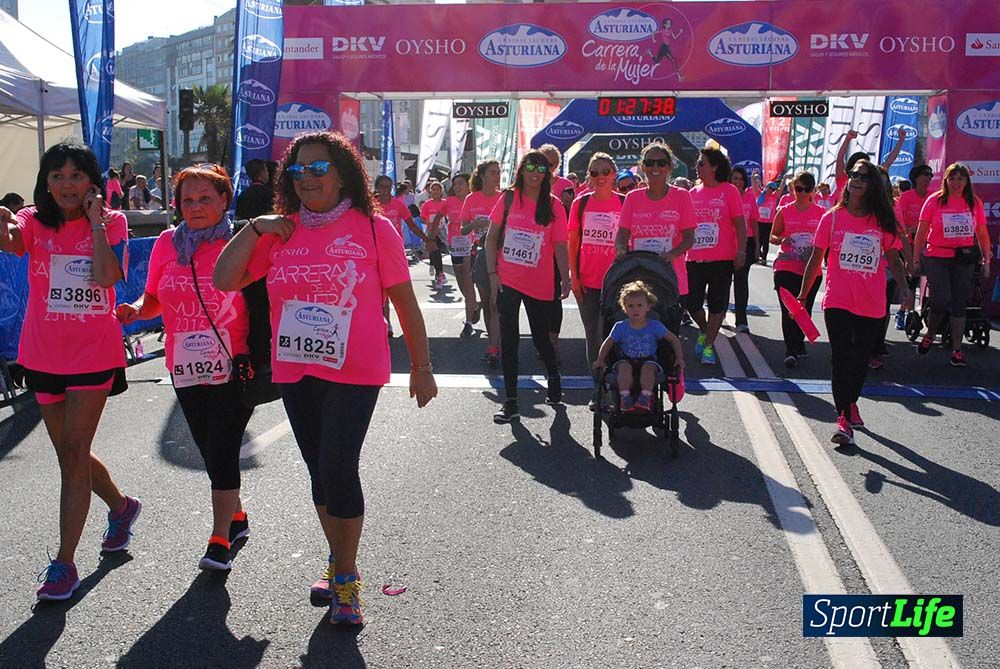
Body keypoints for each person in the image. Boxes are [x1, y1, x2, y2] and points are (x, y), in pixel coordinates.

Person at [213, 131, 437, 625]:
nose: (308, 178)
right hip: (296, 368)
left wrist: (421, 368)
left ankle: (347, 578)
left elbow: (405, 303)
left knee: (338, 465)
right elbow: (224, 279)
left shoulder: (375, 229)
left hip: (356, 370)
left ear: (342, 174)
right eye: (297, 171)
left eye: (318, 169)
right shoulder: (281, 231)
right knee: (320, 471)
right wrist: (255, 228)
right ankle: (337, 557)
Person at [0, 142, 139, 601]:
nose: (65, 184)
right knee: (69, 453)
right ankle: (121, 507)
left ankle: (64, 563)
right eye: (56, 175)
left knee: (75, 450)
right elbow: (11, 239)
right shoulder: (34, 222)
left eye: (75, 175)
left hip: (93, 354)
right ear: (45, 182)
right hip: (42, 354)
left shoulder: (113, 222)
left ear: (92, 181)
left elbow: (105, 277)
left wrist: (96, 222)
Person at [116, 164, 254, 572]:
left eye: (205, 199)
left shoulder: (239, 240)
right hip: (186, 363)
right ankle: (238, 516)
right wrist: (138, 308)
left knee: (224, 444)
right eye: (187, 200)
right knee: (209, 445)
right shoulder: (165, 243)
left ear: (224, 201)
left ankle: (219, 538)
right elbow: (154, 296)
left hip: (234, 362)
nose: (194, 207)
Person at [798, 159, 909, 446]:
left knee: (860, 360)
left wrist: (906, 290)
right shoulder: (832, 218)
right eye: (852, 174)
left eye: (863, 176)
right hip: (838, 299)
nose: (856, 179)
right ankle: (843, 417)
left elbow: (894, 261)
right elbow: (815, 258)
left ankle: (851, 402)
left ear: (873, 184)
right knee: (841, 357)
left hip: (872, 302)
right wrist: (803, 293)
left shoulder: (882, 220)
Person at [484, 150, 570, 424]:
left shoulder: (554, 205)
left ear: (547, 174)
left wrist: (566, 278)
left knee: (541, 340)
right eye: (530, 167)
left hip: (540, 282)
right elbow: (491, 239)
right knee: (509, 341)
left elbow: (559, 245)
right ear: (521, 169)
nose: (534, 173)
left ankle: (553, 376)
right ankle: (511, 402)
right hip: (508, 279)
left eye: (540, 168)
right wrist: (492, 274)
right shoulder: (508, 198)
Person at [615, 141, 696, 366]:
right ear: (642, 166)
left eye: (661, 162)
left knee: (665, 342)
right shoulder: (633, 198)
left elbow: (689, 237)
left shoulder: (681, 197)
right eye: (649, 163)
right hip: (639, 278)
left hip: (671, 280)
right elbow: (622, 234)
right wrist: (621, 248)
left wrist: (672, 253)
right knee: (635, 339)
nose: (655, 167)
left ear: (670, 167)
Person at [912, 163, 992, 367]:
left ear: (967, 181)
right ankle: (930, 333)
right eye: (952, 178)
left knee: (959, 302)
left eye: (960, 179)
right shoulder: (935, 200)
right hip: (937, 255)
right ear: (946, 180)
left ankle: (957, 349)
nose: (956, 183)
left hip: (963, 257)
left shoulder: (974, 202)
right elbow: (921, 232)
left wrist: (986, 260)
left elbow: (982, 233)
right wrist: (914, 258)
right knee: (940, 299)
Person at [568, 153, 625, 409]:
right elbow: (573, 245)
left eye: (605, 171)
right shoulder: (580, 204)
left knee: (616, 337)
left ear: (613, 173)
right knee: (593, 337)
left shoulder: (625, 203)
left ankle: (617, 388)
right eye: (594, 172)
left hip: (619, 284)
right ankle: (598, 388)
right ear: (588, 177)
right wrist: (574, 279)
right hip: (588, 282)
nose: (600, 177)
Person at [687, 148, 747, 365]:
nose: (697, 166)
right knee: (692, 302)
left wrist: (741, 251)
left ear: (714, 167)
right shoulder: (692, 193)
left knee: (716, 304)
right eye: (698, 162)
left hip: (722, 258)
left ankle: (709, 345)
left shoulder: (729, 191)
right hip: (694, 258)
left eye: (701, 163)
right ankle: (704, 329)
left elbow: (740, 224)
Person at [593, 280, 684, 413]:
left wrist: (679, 358)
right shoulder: (620, 326)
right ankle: (625, 397)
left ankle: (645, 397)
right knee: (623, 368)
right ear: (624, 308)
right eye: (631, 306)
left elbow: (673, 339)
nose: (635, 309)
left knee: (649, 369)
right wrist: (600, 359)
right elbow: (608, 343)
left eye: (640, 305)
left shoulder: (655, 326)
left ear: (648, 307)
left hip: (648, 359)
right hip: (626, 359)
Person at [770, 171, 825, 366]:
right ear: (793, 189)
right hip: (786, 265)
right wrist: (782, 239)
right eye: (798, 189)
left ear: (813, 191)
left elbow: (826, 241)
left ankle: (798, 342)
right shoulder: (784, 210)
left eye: (806, 189)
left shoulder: (820, 213)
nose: (801, 193)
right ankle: (790, 350)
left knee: (804, 309)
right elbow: (772, 236)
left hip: (810, 269)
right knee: (789, 310)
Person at [462, 160, 504, 366]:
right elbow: (462, 230)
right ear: (482, 176)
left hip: (501, 255)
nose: (497, 176)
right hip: (479, 253)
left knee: (497, 304)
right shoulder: (471, 199)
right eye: (493, 173)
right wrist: (474, 224)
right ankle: (492, 343)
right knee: (487, 304)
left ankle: (496, 346)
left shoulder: (504, 197)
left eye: (499, 172)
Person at [894, 164, 934, 327]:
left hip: (930, 245)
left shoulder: (933, 197)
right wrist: (909, 230)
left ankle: (926, 312)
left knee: (931, 280)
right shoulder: (906, 197)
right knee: (911, 279)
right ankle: (904, 313)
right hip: (908, 245)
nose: (929, 178)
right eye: (926, 175)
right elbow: (898, 222)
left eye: (931, 175)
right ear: (916, 177)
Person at [447, 174, 479, 336]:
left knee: (468, 281)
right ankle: (474, 305)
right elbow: (438, 216)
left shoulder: (474, 200)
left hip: (470, 245)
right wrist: (430, 238)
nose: (457, 187)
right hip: (455, 245)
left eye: (460, 184)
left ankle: (468, 323)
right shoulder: (449, 202)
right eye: (455, 184)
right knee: (460, 281)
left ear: (469, 185)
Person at [730, 166, 760, 332]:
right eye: (735, 178)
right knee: (724, 282)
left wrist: (756, 246)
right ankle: (717, 316)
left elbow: (754, 222)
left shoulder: (749, 196)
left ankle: (741, 320)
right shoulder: (724, 194)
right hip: (727, 244)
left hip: (746, 243)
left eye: (741, 179)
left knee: (741, 282)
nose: (738, 182)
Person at [421, 179, 449, 289]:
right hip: (431, 231)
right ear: (430, 192)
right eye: (433, 190)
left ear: (441, 191)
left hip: (441, 230)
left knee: (438, 251)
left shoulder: (444, 202)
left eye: (438, 190)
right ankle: (440, 274)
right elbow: (422, 218)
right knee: (434, 250)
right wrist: (428, 222)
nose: (436, 192)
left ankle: (434, 265)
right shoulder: (427, 204)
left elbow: (450, 215)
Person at [756, 180, 780, 264]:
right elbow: (754, 185)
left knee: (766, 241)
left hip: (769, 223)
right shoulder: (760, 195)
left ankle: (764, 258)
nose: (771, 190)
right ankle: (759, 254)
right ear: (766, 187)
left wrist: (784, 179)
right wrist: (754, 178)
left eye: (773, 189)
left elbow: (780, 190)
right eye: (770, 188)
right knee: (758, 241)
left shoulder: (774, 197)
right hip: (759, 222)